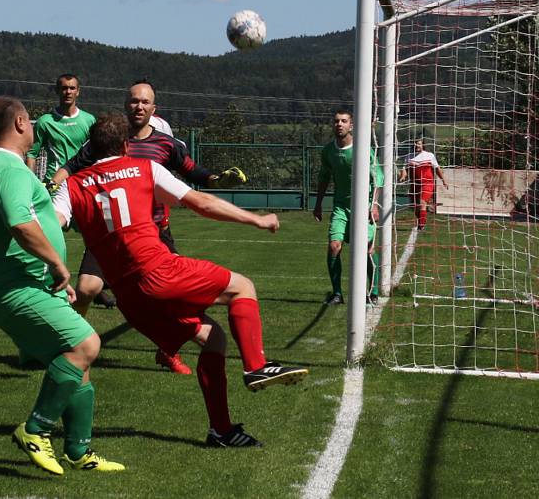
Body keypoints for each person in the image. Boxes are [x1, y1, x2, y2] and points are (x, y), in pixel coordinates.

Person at [52, 112, 308, 447]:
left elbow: (50, 226)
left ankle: (222, 431)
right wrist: (257, 220)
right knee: (242, 286)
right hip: (159, 274)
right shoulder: (145, 168)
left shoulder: (72, 186)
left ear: (90, 148)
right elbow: (201, 203)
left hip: (131, 300)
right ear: (127, 144)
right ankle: (257, 366)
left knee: (213, 339)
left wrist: (52, 266)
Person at [50, 80, 247, 374]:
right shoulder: (107, 139)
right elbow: (72, 166)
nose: (138, 107)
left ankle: (167, 351)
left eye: (144, 102)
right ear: (126, 105)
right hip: (112, 233)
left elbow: (193, 171)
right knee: (87, 288)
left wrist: (217, 181)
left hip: (155, 234)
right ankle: (68, 342)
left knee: (179, 300)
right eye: (133, 101)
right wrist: (52, 183)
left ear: (154, 108)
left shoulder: (165, 143)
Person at [0, 96, 123, 476]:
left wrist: (53, 280)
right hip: (14, 288)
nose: (36, 126)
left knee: (79, 361)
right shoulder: (7, 168)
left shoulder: (2, 166)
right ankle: (35, 429)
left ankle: (78, 450)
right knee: (86, 345)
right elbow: (20, 224)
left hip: (29, 284)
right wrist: (57, 263)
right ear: (21, 123)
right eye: (32, 121)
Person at [25, 74, 115, 308]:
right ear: (57, 91)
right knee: (49, 234)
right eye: (63, 88)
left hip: (84, 187)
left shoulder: (88, 120)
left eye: (72, 88)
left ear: (79, 92)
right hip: (55, 188)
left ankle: (96, 285)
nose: (68, 92)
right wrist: (30, 181)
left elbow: (97, 152)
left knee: (95, 237)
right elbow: (33, 153)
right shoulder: (45, 122)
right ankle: (46, 282)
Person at [313, 108, 384, 306]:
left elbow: (378, 177)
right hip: (341, 206)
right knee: (334, 246)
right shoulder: (328, 151)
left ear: (351, 125)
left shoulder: (362, 149)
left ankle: (374, 291)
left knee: (367, 250)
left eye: (344, 121)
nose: (339, 124)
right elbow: (324, 178)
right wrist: (318, 204)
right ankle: (337, 294)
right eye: (336, 121)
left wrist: (374, 205)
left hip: (364, 207)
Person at [398, 138, 449, 230]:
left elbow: (437, 169)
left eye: (418, 144)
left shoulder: (429, 156)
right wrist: (403, 177)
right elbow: (404, 169)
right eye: (415, 144)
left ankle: (421, 225)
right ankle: (420, 220)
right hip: (414, 184)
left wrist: (443, 180)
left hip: (427, 183)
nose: (416, 145)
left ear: (423, 145)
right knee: (416, 205)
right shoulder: (409, 156)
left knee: (422, 202)